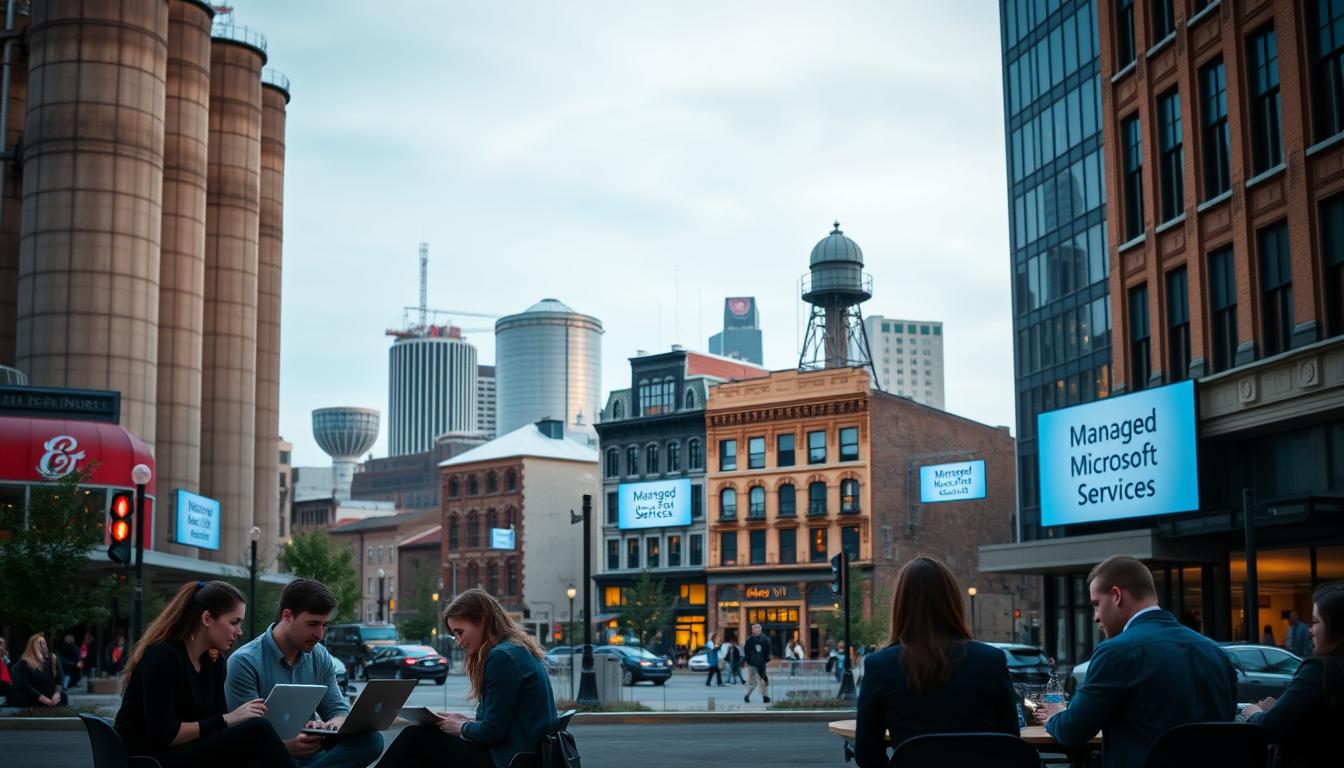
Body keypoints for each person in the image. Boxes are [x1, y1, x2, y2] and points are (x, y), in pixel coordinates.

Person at [1039, 556, 1237, 768]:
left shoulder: (1115, 652)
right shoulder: (1216, 653)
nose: (1096, 617)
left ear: (1116, 595)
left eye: (1096, 604)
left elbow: (1072, 730)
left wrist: (1055, 716)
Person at [854, 557, 1017, 767]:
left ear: (901, 605)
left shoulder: (880, 665)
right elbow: (1010, 740)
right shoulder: (991, 660)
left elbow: (866, 754)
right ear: (952, 602)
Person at [113, 580, 296, 768]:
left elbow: (216, 726)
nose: (239, 632)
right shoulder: (161, 657)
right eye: (234, 622)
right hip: (150, 757)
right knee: (258, 729)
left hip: (188, 750)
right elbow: (164, 734)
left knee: (257, 760)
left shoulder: (214, 662)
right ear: (207, 619)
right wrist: (228, 718)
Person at [375, 588, 557, 768]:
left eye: (460, 632)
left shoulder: (502, 657)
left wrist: (459, 727)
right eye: (454, 634)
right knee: (414, 759)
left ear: (482, 621)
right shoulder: (517, 649)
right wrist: (464, 720)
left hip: (507, 759)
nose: (458, 641)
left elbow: (491, 732)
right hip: (522, 753)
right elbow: (499, 720)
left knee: (413, 737)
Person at [226, 578, 383, 768]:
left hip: (313, 752)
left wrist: (333, 725)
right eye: (313, 624)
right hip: (269, 755)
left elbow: (337, 709)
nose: (320, 634)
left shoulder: (320, 655)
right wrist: (284, 746)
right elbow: (245, 734)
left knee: (372, 740)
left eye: (324, 625)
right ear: (287, 616)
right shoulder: (244, 661)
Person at [1239, 584, 1344, 768]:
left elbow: (1268, 728)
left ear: (1336, 628)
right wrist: (1281, 708)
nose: (1310, 631)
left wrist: (1253, 712)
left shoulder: (1319, 668)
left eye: (1315, 622)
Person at [10, 633, 67, 708]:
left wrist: (57, 693)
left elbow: (60, 678)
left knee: (63, 697)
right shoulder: (25, 662)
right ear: (32, 646)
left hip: (50, 696)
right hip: (33, 697)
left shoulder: (52, 659)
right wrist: (43, 698)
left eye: (43, 642)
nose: (42, 644)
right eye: (39, 643)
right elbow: (24, 685)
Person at [742, 623, 772, 704]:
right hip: (752, 664)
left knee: (763, 680)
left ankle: (765, 697)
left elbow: (768, 651)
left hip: (761, 663)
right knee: (752, 682)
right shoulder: (749, 640)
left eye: (756, 629)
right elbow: (746, 651)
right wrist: (748, 660)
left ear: (760, 630)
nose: (755, 631)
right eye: (754, 629)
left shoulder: (765, 639)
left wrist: (766, 659)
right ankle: (747, 695)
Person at [0, 636, 13, 703]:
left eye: (3, 643)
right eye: (1, 643)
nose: (2, 645)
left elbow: (9, 664)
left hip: (5, 676)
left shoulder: (6, 653)